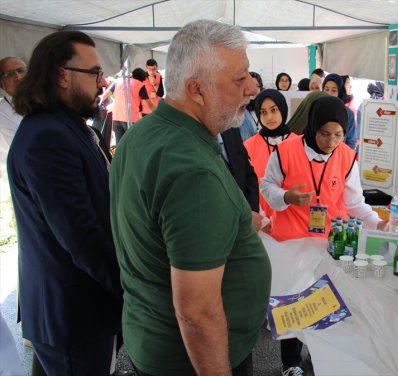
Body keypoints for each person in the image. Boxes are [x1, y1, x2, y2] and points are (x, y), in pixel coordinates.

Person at [109, 19, 271, 376]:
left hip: (153, 339)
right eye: (239, 79)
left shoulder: (143, 134)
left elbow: (162, 224)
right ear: (197, 90)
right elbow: (197, 313)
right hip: (192, 360)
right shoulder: (192, 171)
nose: (251, 90)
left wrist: (238, 221)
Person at [7, 30, 121, 375]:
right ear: (61, 75)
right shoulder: (47, 136)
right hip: (72, 313)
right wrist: (133, 288)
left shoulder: (66, 126)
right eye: (95, 73)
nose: (102, 83)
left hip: (76, 309)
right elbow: (80, 235)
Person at [260, 95, 386, 375]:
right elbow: (266, 186)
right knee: (294, 304)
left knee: (326, 304)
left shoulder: (347, 157)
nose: (331, 142)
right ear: (312, 127)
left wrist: (378, 224)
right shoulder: (284, 152)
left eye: (338, 135)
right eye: (324, 134)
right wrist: (286, 196)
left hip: (329, 243)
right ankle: (290, 362)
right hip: (290, 242)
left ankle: (321, 358)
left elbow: (355, 202)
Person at [244, 89, 297, 230]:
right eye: (263, 112)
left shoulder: (299, 144)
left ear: (283, 109)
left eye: (274, 110)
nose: (269, 117)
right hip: (261, 224)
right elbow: (245, 187)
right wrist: (262, 221)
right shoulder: (248, 146)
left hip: (293, 223)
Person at [0, 57, 27, 173]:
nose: (18, 77)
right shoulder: (1, 113)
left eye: (21, 70)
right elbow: (26, 150)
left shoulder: (47, 101)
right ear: (1, 84)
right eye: (9, 74)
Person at [321, 73, 357, 151]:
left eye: (334, 90)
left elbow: (351, 141)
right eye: (326, 89)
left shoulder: (348, 113)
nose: (329, 93)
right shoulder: (317, 110)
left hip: (340, 156)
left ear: (340, 92)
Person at [109, 67, 145, 143]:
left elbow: (105, 94)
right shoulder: (140, 85)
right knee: (134, 143)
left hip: (117, 117)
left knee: (119, 145)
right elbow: (146, 103)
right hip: (132, 118)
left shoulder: (117, 81)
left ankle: (119, 155)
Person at [238, 71, 263, 141]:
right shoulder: (238, 112)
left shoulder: (265, 110)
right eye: (249, 85)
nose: (254, 89)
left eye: (257, 86)